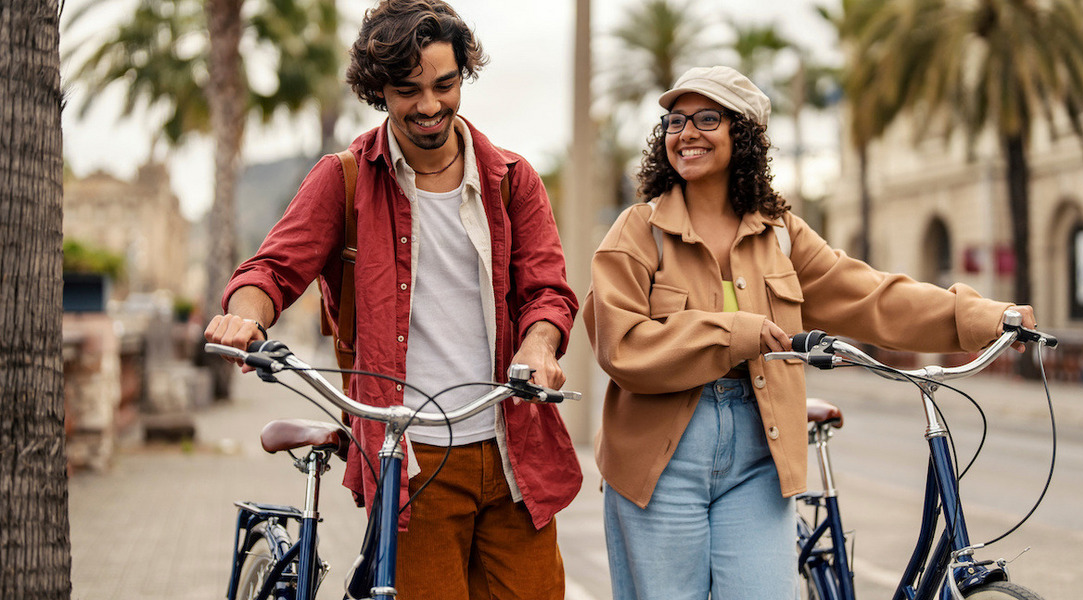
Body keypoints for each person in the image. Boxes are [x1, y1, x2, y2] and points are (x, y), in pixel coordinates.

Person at [581, 65, 1036, 599]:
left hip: (759, 455)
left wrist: (978, 316)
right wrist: (732, 333)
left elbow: (870, 295)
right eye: (676, 121)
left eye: (708, 118)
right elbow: (622, 346)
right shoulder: (637, 231)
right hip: (659, 463)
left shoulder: (781, 235)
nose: (687, 133)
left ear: (743, 134)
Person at [204, 2, 581, 598]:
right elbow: (272, 271)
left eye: (444, 84)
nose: (429, 105)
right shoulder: (346, 179)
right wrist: (243, 316)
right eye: (408, 90)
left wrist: (539, 345)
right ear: (378, 89)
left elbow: (548, 291)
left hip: (516, 450)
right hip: (413, 459)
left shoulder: (512, 179)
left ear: (463, 76)